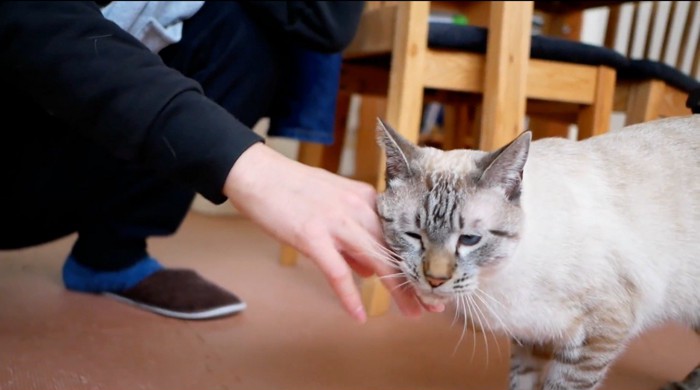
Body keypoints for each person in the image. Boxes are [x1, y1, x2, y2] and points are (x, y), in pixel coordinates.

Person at [0, 1, 442, 322]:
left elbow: (327, 22)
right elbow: (33, 24)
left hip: (72, 156)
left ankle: (110, 255)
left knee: (250, 28)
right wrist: (246, 164)